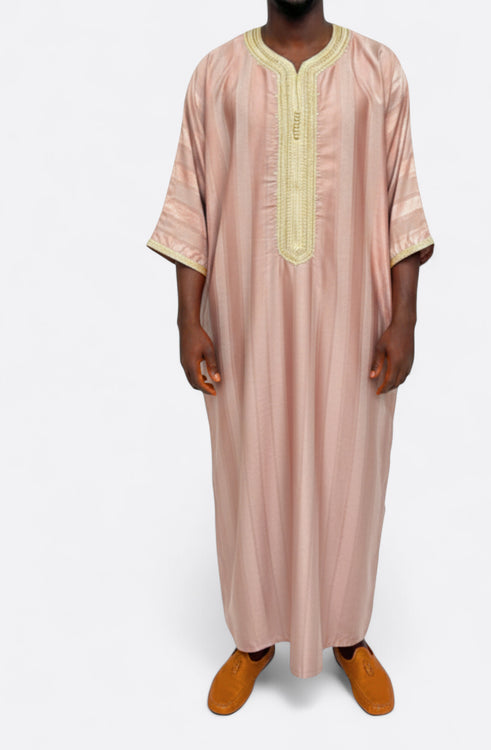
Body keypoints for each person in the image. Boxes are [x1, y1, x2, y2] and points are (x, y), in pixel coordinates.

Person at [145, 0, 434, 716]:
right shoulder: (216, 76)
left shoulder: (377, 71)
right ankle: (252, 641)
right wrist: (188, 318)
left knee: (351, 468)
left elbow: (402, 201)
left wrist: (404, 317)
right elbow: (191, 203)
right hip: (246, 322)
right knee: (250, 467)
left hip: (354, 322)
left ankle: (348, 636)